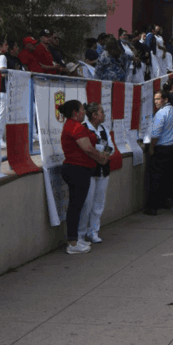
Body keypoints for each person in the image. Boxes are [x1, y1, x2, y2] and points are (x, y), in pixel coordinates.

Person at [59, 100, 108, 254]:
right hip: (76, 170)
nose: (84, 112)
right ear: (75, 112)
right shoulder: (75, 127)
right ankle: (73, 242)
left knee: (77, 205)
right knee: (76, 206)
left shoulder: (75, 126)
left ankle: (76, 239)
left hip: (80, 169)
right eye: (81, 110)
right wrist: (100, 158)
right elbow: (88, 148)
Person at [77, 102, 113, 244]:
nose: (104, 115)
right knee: (87, 203)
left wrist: (105, 155)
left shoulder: (104, 129)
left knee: (99, 203)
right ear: (94, 115)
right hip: (89, 170)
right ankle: (80, 234)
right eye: (101, 112)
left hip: (103, 170)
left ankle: (93, 231)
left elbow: (111, 146)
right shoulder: (84, 128)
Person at [144, 91, 173, 215]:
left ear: (165, 99)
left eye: (158, 99)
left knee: (156, 178)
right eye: (154, 99)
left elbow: (155, 134)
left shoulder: (161, 113)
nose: (156, 102)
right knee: (172, 179)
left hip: (161, 149)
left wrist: (151, 148)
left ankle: (153, 207)